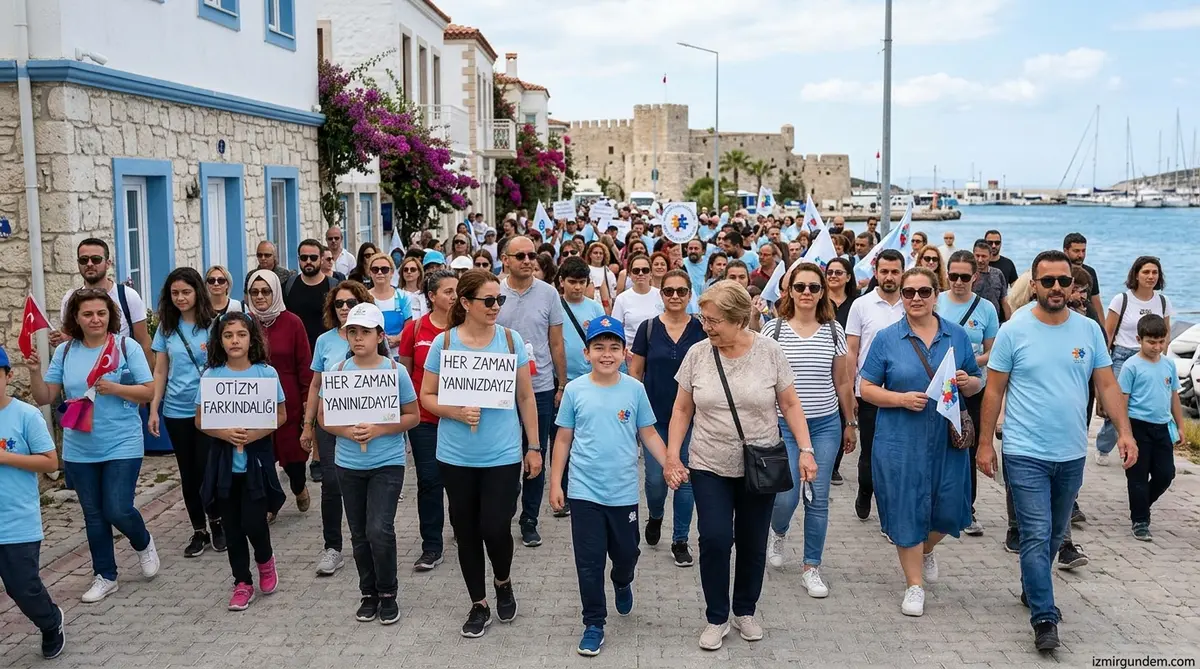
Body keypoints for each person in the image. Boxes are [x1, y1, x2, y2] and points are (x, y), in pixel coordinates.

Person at [977, 250, 1136, 653]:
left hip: (1071, 453)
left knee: (1052, 534)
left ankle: (1033, 585)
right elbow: (993, 391)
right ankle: (1044, 617)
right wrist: (984, 444)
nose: (1056, 288)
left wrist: (1125, 433)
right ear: (1034, 285)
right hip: (1024, 450)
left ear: (1072, 285)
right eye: (1047, 281)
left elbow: (1107, 385)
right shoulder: (1014, 330)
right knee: (1035, 532)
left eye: (1063, 281)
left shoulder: (1088, 330)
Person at [670, 281, 816, 650]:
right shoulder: (698, 354)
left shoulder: (769, 351)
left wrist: (806, 449)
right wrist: (672, 455)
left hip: (760, 464)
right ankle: (716, 617)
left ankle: (745, 610)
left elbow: (790, 404)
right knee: (715, 538)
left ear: (739, 320)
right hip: (708, 462)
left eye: (714, 321)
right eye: (704, 319)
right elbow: (682, 409)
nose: (707, 327)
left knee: (752, 541)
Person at [419, 269, 543, 638]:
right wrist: (454, 411)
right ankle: (479, 603)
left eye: (499, 300)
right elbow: (427, 395)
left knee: (495, 526)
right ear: (465, 302)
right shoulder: (445, 343)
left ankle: (503, 580)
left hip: (502, 454)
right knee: (466, 529)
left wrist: (534, 446)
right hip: (456, 456)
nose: (495, 306)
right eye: (488, 300)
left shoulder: (510, 341)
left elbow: (526, 397)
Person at [549, 316, 679, 657]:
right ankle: (594, 623)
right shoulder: (575, 390)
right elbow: (563, 439)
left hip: (622, 492)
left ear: (624, 353)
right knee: (589, 562)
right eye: (599, 347)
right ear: (587, 353)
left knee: (626, 554)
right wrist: (555, 482)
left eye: (613, 348)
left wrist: (670, 462)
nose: (606, 354)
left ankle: (622, 581)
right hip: (584, 491)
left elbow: (648, 432)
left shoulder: (634, 389)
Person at [859, 266, 981, 617]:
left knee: (951, 509)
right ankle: (914, 585)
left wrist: (968, 382)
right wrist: (899, 399)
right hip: (901, 439)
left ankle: (926, 549)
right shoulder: (887, 338)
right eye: (909, 292)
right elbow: (865, 388)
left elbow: (977, 380)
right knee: (905, 509)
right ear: (901, 296)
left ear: (935, 295)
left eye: (924, 292)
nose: (916, 298)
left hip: (946, 439)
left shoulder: (956, 335)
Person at [27, 288, 159, 603]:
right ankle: (105, 575)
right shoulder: (65, 352)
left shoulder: (125, 346)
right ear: (76, 318)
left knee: (117, 508)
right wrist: (33, 373)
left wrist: (116, 388)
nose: (95, 319)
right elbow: (45, 396)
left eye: (101, 313)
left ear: (110, 316)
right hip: (79, 448)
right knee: (94, 514)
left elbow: (149, 391)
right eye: (87, 314)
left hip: (122, 443)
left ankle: (142, 541)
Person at [318, 302, 420, 625]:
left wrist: (379, 429)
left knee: (379, 528)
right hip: (348, 463)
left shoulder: (395, 372)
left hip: (387, 462)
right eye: (353, 332)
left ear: (379, 336)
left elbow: (413, 416)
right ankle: (368, 593)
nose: (358, 338)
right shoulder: (337, 372)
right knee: (359, 532)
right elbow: (324, 417)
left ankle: (388, 592)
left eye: (365, 332)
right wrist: (346, 431)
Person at [764, 263, 857, 598]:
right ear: (789, 291)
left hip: (824, 424)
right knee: (786, 496)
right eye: (799, 286)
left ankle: (811, 566)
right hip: (783, 427)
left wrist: (850, 423)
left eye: (813, 287)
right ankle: (778, 531)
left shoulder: (834, 331)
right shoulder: (773, 330)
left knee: (818, 497)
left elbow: (842, 381)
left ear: (822, 293)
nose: (806, 292)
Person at [196, 312, 286, 611]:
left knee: (254, 523)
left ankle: (265, 561)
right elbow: (200, 419)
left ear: (251, 339)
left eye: (241, 334)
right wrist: (224, 433)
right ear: (219, 341)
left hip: (255, 465)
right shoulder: (211, 376)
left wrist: (255, 434)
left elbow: (281, 415)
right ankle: (242, 582)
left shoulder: (266, 374)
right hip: (223, 466)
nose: (235, 341)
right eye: (228, 335)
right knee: (232, 528)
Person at [629, 270, 705, 567]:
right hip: (654, 418)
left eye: (681, 291)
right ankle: (656, 514)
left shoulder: (700, 328)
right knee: (655, 480)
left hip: (691, 420)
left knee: (685, 479)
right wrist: (632, 411)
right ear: (661, 295)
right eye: (669, 291)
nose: (675, 296)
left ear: (689, 294)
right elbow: (636, 372)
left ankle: (680, 540)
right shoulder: (648, 329)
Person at [148, 267, 225, 557]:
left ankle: (217, 521)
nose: (180, 298)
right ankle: (199, 529)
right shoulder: (166, 328)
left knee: (207, 470)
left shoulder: (214, 324)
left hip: (208, 409)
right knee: (188, 473)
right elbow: (160, 370)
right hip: (176, 410)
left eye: (186, 292)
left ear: (197, 292)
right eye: (175, 293)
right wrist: (154, 408)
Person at [496, 237, 567, 547]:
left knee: (535, 451)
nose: (527, 260)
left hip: (539, 388)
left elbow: (556, 342)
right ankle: (504, 508)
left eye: (531, 255)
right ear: (505, 259)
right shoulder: (494, 291)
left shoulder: (549, 294)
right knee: (505, 454)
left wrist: (561, 384)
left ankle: (529, 519)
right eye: (520, 255)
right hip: (499, 388)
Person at [302, 280, 373, 576]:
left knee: (364, 484)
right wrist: (308, 425)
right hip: (331, 424)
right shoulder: (324, 341)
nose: (344, 308)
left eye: (351, 303)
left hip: (366, 423)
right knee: (331, 485)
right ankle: (332, 547)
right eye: (339, 303)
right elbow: (315, 385)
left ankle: (368, 542)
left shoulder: (372, 337)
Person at [0, 346, 66, 659]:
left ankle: (50, 621)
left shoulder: (25, 415)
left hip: (16, 521)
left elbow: (50, 462)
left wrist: (5, 457)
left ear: (8, 375)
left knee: (22, 587)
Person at [397, 270, 457, 570]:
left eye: (457, 290)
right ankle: (432, 546)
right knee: (430, 481)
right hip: (425, 419)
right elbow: (406, 374)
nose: (454, 296)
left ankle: (462, 529)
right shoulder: (415, 328)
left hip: (460, 418)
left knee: (459, 481)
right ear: (432, 297)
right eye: (448, 291)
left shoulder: (465, 329)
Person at [937, 251, 999, 537]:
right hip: (939, 387)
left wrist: (971, 363)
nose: (959, 282)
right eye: (953, 276)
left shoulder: (986, 309)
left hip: (972, 388)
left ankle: (967, 509)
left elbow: (993, 350)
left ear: (975, 276)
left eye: (964, 276)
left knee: (967, 447)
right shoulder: (936, 301)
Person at [845, 249, 907, 523]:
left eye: (895, 272)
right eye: (884, 271)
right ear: (876, 273)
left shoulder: (912, 303)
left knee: (898, 455)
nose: (889, 277)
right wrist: (851, 391)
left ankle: (889, 510)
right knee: (870, 453)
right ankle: (865, 489)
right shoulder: (861, 305)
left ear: (902, 273)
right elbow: (852, 351)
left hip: (904, 392)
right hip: (869, 392)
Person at [245, 270, 313, 514]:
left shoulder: (293, 322)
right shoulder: (245, 323)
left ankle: (299, 486)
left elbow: (304, 365)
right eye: (254, 292)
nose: (260, 296)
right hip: (255, 400)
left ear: (275, 292)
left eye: (266, 291)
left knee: (293, 458)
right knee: (262, 456)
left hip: (289, 400)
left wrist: (307, 402)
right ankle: (270, 505)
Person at [1098, 256, 1175, 465]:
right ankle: (1104, 446)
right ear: (1136, 275)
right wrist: (1103, 363)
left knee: (1148, 404)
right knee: (1116, 406)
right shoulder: (1121, 299)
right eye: (1146, 272)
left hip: (1152, 357)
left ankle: (1140, 447)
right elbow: (1109, 333)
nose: (1151, 276)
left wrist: (1163, 357)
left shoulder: (1163, 301)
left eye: (1155, 272)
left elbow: (1166, 333)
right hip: (1123, 356)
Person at [1118, 314, 1181, 542]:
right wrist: (1124, 432)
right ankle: (1140, 521)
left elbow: (1173, 396)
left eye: (1161, 342)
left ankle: (1142, 504)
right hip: (1137, 427)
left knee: (1166, 474)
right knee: (1138, 475)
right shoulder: (1131, 366)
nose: (1157, 347)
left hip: (1162, 427)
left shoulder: (1169, 365)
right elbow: (1122, 400)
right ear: (1139, 339)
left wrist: (1180, 426)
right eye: (1151, 342)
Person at [51, 238, 152, 369]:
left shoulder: (127, 296)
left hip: (122, 374)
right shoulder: (70, 299)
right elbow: (69, 336)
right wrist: (61, 339)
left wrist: (150, 379)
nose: (89, 264)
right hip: (83, 373)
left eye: (96, 259)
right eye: (84, 260)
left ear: (108, 263)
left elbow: (143, 342)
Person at [825, 256, 859, 486]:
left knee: (842, 414)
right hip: (821, 365)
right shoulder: (819, 301)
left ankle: (833, 465)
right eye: (830, 272)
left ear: (848, 277)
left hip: (846, 366)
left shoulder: (857, 304)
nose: (833, 276)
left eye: (838, 272)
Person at [284, 239, 339, 352]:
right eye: (304, 258)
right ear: (299, 259)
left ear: (321, 259)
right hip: (296, 350)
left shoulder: (334, 286)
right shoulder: (288, 286)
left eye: (313, 258)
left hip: (327, 350)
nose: (308, 261)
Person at [365, 254, 413, 356]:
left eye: (384, 269)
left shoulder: (403, 296)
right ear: (370, 273)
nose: (380, 273)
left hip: (399, 354)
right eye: (375, 269)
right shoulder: (364, 297)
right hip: (373, 354)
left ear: (392, 272)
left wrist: (397, 338)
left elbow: (409, 325)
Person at [612, 254, 664, 347]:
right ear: (629, 274)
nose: (640, 273)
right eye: (636, 271)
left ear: (651, 274)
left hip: (658, 346)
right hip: (631, 349)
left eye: (645, 270)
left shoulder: (661, 295)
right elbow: (615, 329)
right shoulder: (621, 299)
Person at [1063, 232, 1102, 319]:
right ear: (1065, 251)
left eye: (1083, 251)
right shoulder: (1058, 272)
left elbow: (1097, 304)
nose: (1081, 255)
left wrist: (1102, 326)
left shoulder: (1090, 272)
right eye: (1076, 251)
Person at [972, 240, 1012, 321]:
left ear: (990, 256)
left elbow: (1004, 302)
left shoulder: (998, 274)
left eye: (984, 256)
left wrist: (1010, 323)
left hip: (994, 320)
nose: (980, 260)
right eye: (977, 256)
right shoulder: (968, 275)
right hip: (972, 321)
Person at [396, 256, 428, 321]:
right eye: (405, 270)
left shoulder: (426, 294)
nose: (409, 272)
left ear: (419, 272)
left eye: (413, 269)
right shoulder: (397, 294)